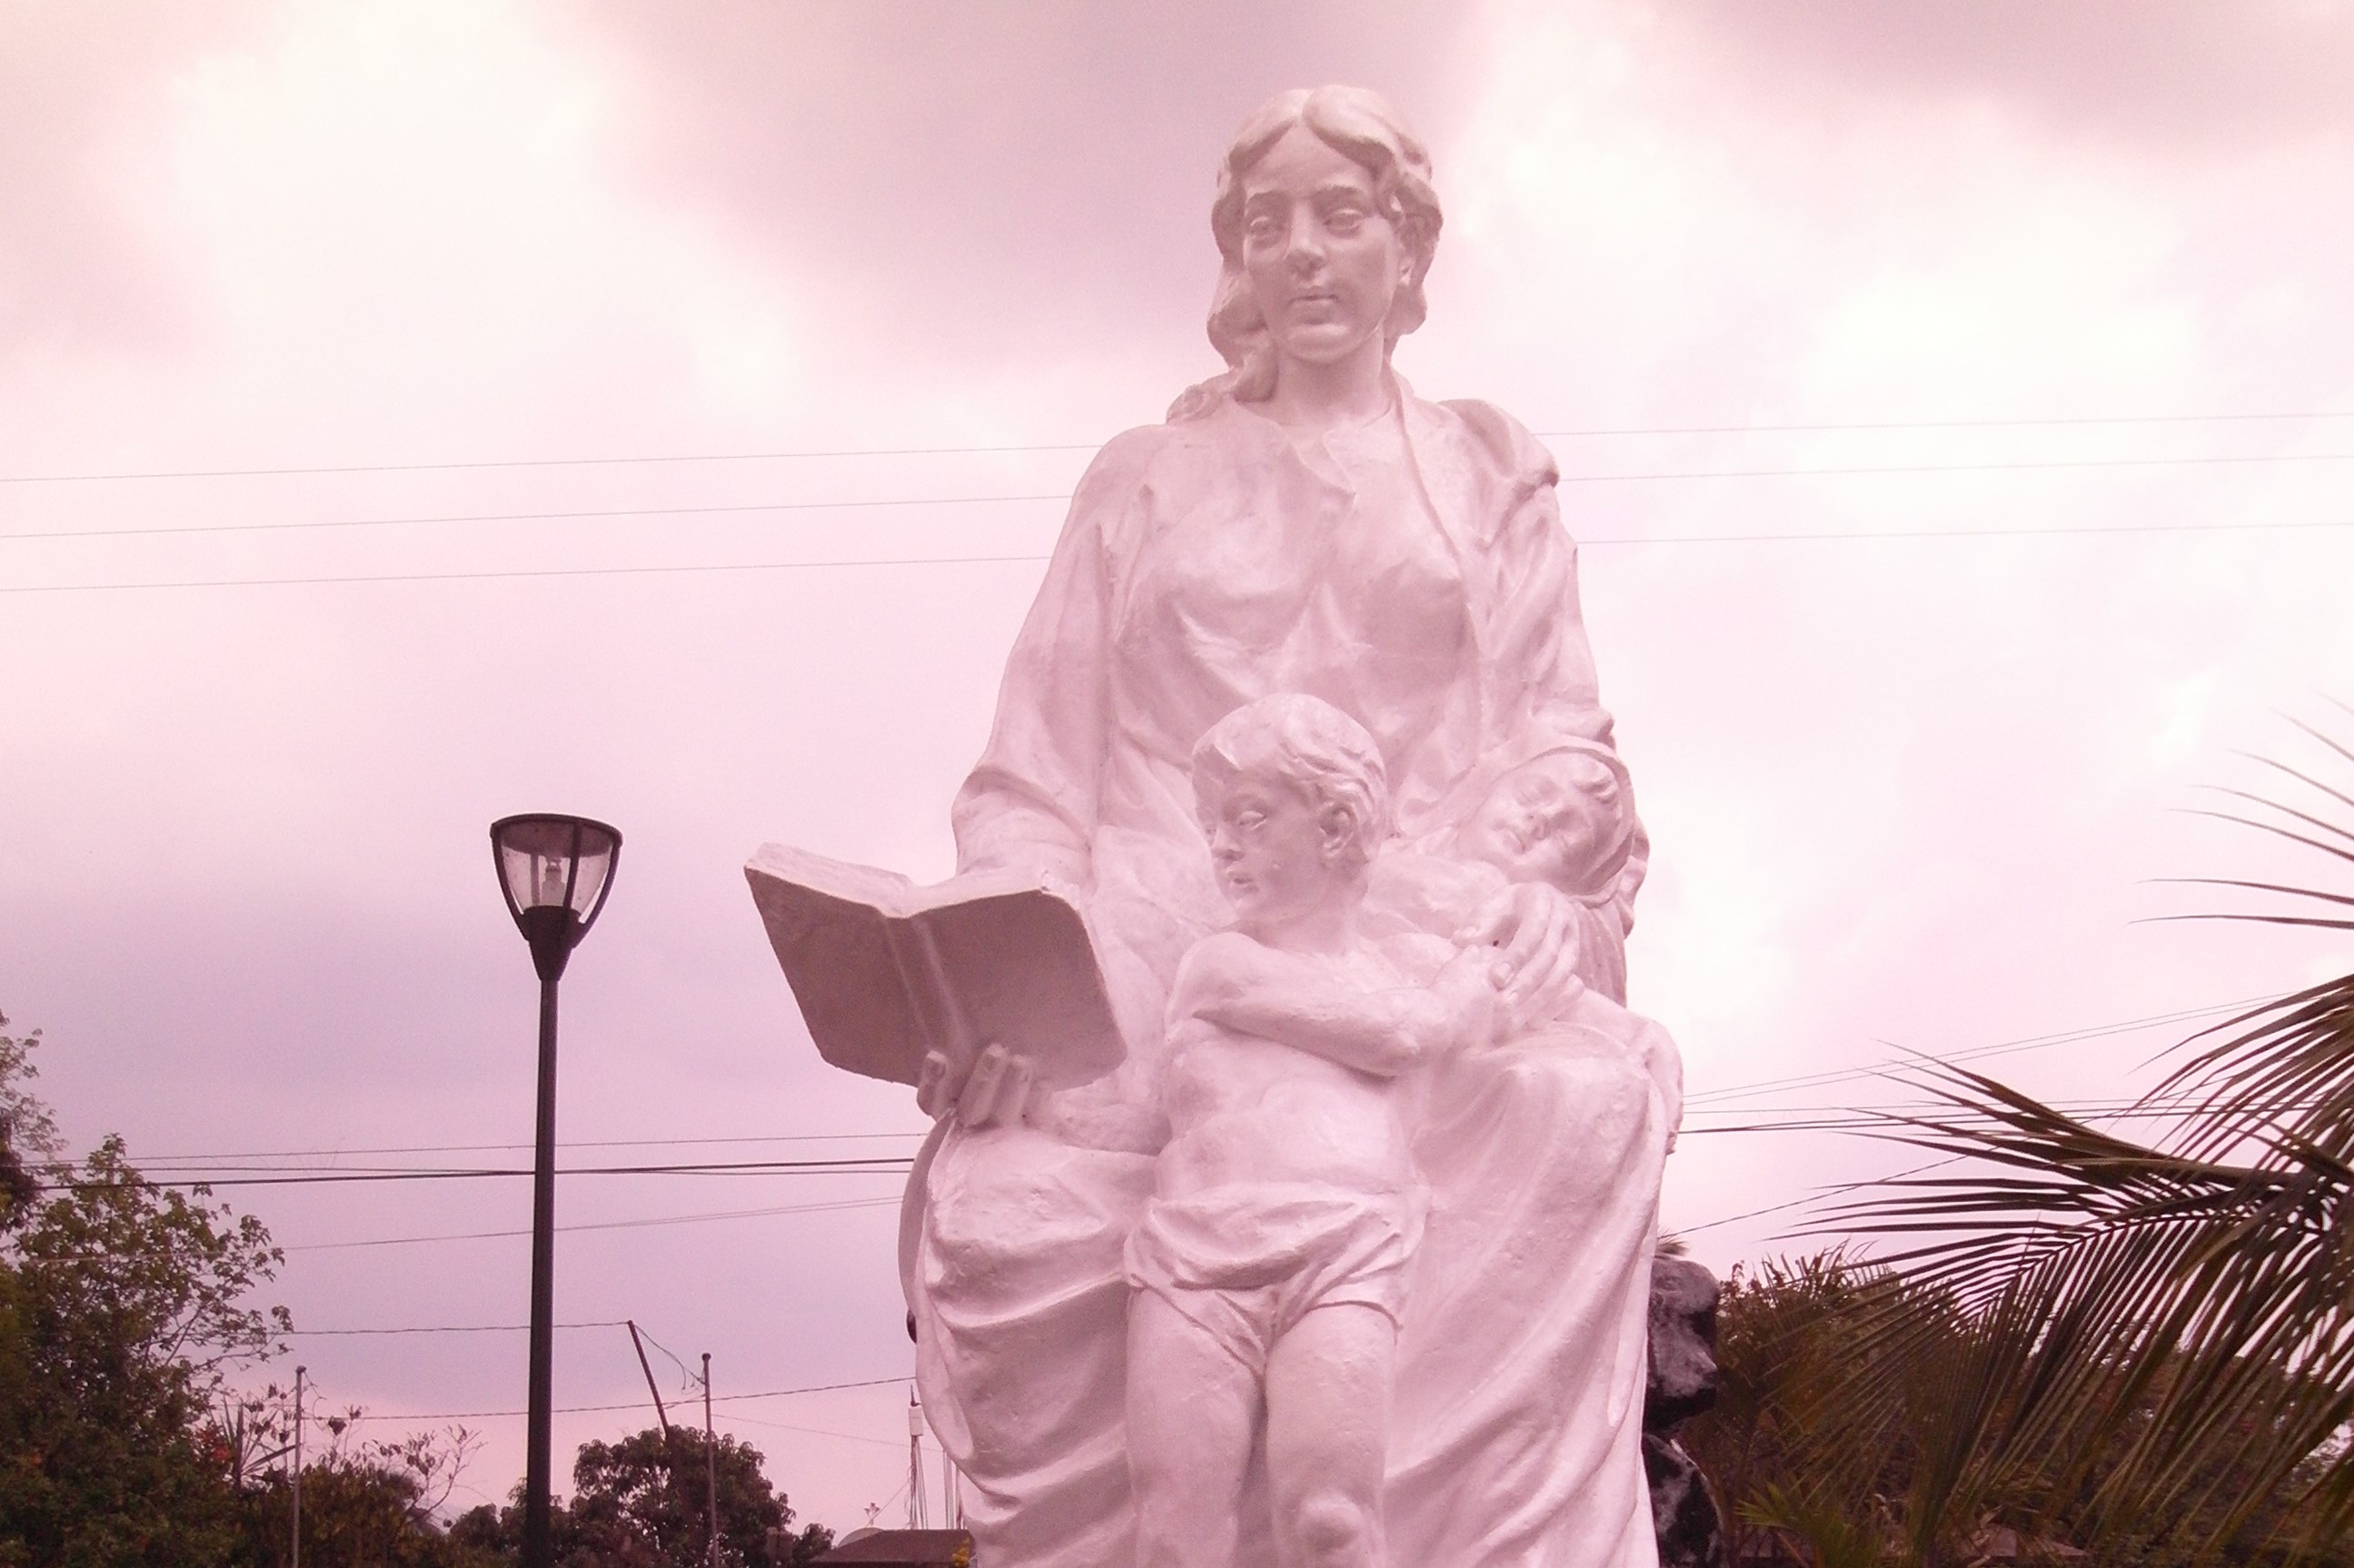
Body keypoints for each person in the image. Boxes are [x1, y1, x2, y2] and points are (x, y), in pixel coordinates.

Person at [902, 84, 1679, 1568]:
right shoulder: (1141, 478)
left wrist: (1522, 885)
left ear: (1407, 250)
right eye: (1272, 224)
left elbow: (1565, 743)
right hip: (1143, 924)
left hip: (1413, 902)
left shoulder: (1484, 474)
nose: (1307, 251)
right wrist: (992, 973)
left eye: (1344, 215)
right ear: (1237, 260)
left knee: (1576, 1106)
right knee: (1008, 1205)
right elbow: (1029, 775)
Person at [1128, 694, 1497, 1568]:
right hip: (1194, 1263)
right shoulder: (1219, 963)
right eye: (1215, 823)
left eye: (1250, 820)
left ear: (1335, 828)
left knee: (1330, 1519)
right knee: (1175, 1532)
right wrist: (1471, 982)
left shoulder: (1392, 968)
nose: (1221, 843)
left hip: (1345, 1254)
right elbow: (1402, 1036)